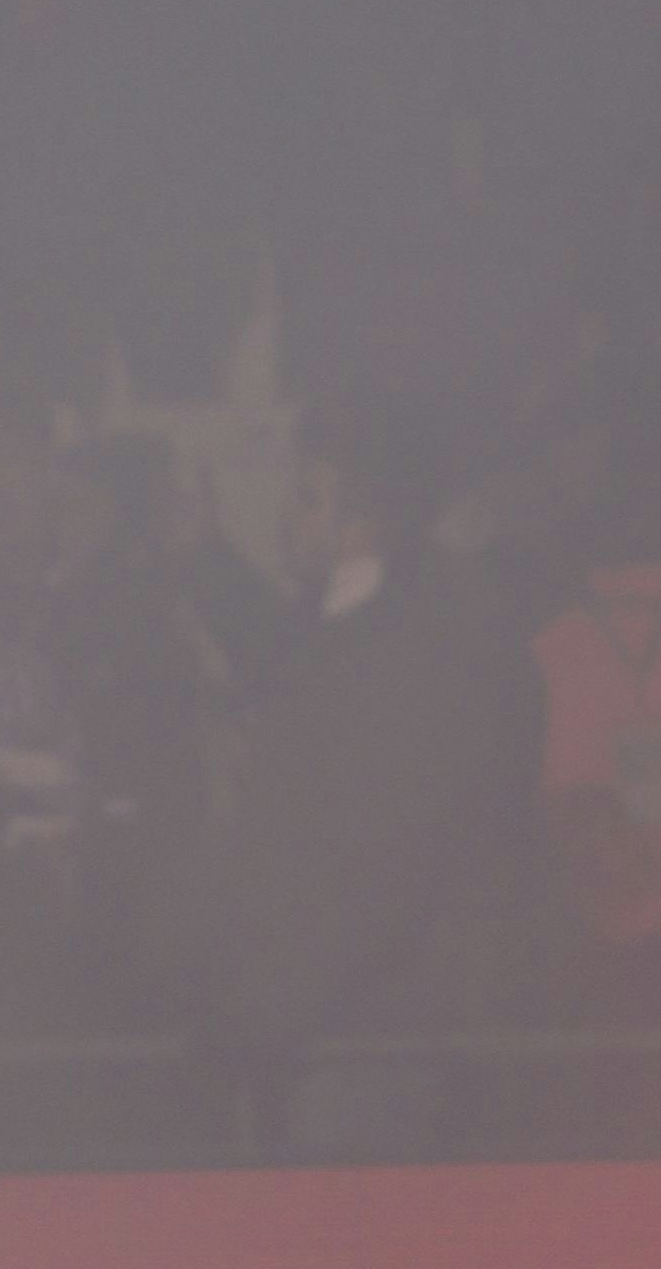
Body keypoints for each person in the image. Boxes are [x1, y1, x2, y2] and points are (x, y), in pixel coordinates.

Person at [170, 393, 525, 1157]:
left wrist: (265, 1008)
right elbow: (290, 653)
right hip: (324, 1031)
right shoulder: (355, 623)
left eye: (308, 498)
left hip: (361, 1041)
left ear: (362, 525)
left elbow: (376, 873)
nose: (287, 517)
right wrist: (206, 555)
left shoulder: (404, 657)